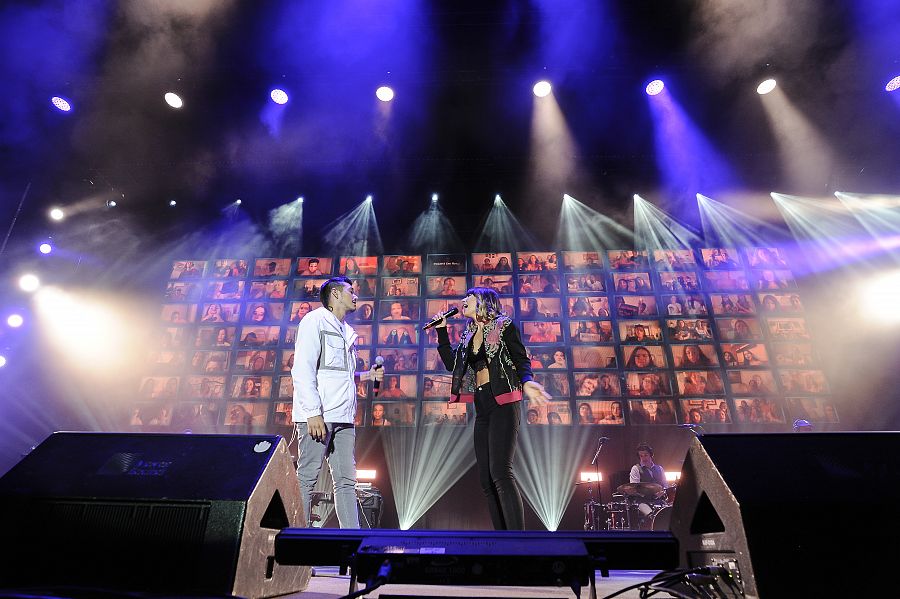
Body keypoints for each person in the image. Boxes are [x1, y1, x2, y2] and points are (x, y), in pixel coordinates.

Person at [433, 287, 551, 530]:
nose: (463, 300)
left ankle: (517, 541)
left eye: (469, 297)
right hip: (482, 404)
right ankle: (501, 540)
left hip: (504, 401)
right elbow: (451, 364)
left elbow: (521, 359)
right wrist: (441, 331)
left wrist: (527, 382)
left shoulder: (504, 325)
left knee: (500, 471)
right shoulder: (468, 334)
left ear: (483, 302)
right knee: (486, 479)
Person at [292, 276, 383, 528]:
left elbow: (339, 373)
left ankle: (351, 544)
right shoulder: (314, 321)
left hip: (343, 416)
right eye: (350, 291)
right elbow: (302, 369)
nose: (355, 296)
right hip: (319, 415)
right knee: (307, 477)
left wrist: (367, 376)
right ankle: (298, 539)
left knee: (346, 481)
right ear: (335, 294)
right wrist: (312, 413)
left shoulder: (347, 331)